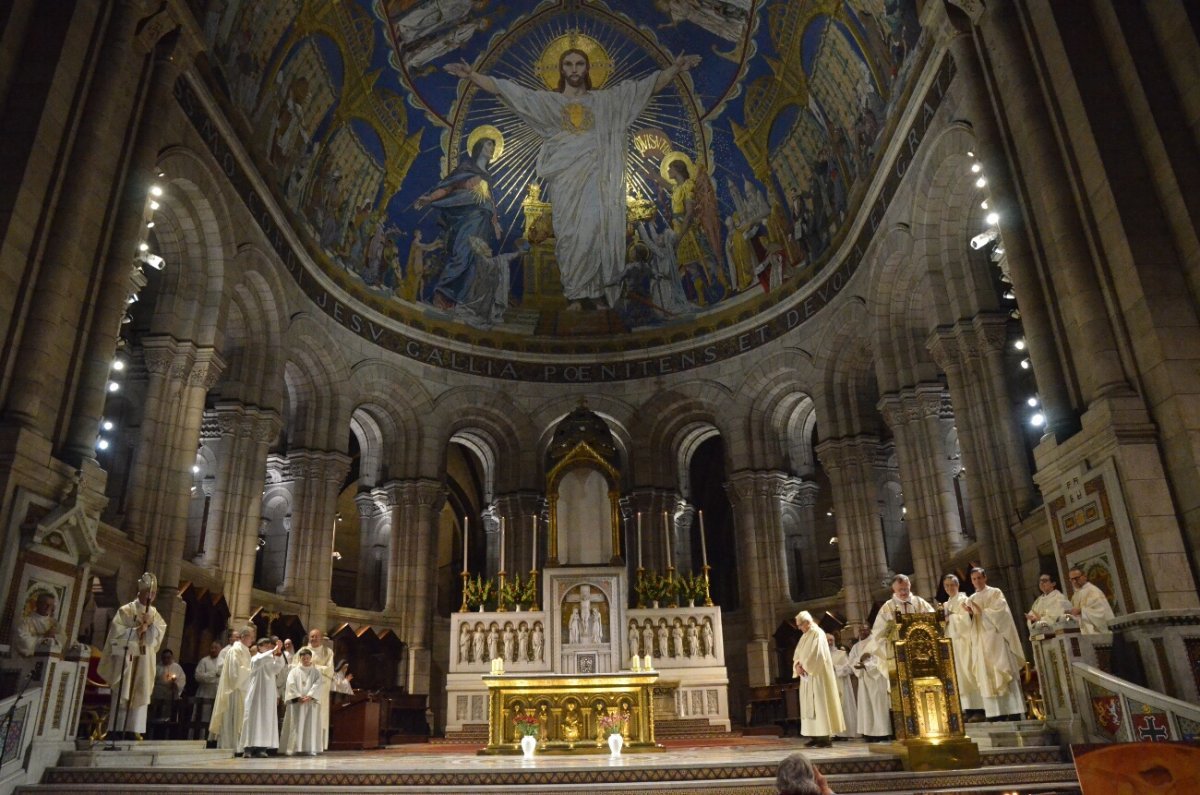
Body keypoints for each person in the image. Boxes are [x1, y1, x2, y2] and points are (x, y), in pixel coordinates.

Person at [445, 48, 700, 310]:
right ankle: (576, 295)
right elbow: (508, 92)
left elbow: (645, 89)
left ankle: (597, 293)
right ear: (561, 69)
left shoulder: (605, 101)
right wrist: (473, 75)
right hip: (565, 181)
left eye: (580, 64)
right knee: (568, 236)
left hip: (595, 180)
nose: (574, 69)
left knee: (593, 231)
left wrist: (675, 69)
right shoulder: (549, 103)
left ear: (588, 68)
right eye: (568, 64)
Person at [416, 133, 502, 310]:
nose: (491, 149)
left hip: (483, 222)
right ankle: (442, 294)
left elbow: (490, 201)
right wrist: (430, 198)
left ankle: (460, 302)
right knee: (462, 255)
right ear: (478, 147)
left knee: (476, 262)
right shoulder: (466, 167)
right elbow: (448, 187)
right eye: (488, 145)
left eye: (493, 147)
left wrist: (495, 223)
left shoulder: (488, 177)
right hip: (466, 218)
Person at [98, 571, 167, 739]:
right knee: (124, 690)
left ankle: (133, 730)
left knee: (141, 690)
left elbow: (157, 638)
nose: (150, 596)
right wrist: (137, 630)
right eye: (147, 593)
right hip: (127, 659)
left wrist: (151, 626)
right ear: (139, 592)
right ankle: (116, 729)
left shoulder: (155, 614)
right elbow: (115, 635)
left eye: (153, 593)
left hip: (144, 659)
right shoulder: (126, 611)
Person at [964, 568, 1026, 721]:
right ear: (971, 581)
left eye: (979, 578)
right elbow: (969, 622)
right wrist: (969, 614)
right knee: (986, 674)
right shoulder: (970, 598)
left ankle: (1014, 711)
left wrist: (982, 612)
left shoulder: (995, 592)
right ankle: (994, 713)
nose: (977, 581)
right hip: (980, 640)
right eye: (974, 579)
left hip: (996, 638)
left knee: (1003, 670)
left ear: (985, 578)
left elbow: (1001, 613)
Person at [791, 611, 844, 748]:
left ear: (807, 622)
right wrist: (797, 665)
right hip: (807, 676)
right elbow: (797, 653)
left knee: (819, 704)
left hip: (817, 675)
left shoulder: (818, 633)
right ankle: (815, 735)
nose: (799, 628)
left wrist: (805, 667)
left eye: (800, 625)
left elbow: (818, 654)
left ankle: (824, 737)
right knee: (809, 705)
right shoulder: (805, 636)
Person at [281, 628, 334, 751]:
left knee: (316, 718)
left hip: (317, 690)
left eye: (316, 636)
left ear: (321, 638)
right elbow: (294, 668)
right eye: (311, 636)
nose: (313, 639)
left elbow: (329, 671)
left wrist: (313, 668)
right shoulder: (302, 651)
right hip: (300, 691)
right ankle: (296, 745)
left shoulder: (328, 652)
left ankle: (315, 745)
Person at [210, 625, 254, 755]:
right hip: (234, 690)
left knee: (240, 719)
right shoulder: (235, 650)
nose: (252, 640)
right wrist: (252, 673)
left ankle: (238, 746)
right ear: (244, 637)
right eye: (251, 637)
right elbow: (235, 673)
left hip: (243, 689)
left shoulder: (245, 650)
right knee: (233, 719)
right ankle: (229, 745)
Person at [941, 574, 982, 714]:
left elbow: (967, 619)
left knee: (969, 672)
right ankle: (966, 710)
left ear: (957, 586)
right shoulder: (946, 604)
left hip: (965, 642)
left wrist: (950, 618)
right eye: (946, 586)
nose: (949, 588)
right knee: (958, 676)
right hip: (953, 644)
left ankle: (978, 709)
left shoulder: (964, 599)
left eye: (952, 585)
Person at [240, 636, 285, 758]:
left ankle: (261, 748)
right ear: (259, 647)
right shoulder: (255, 658)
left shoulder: (270, 659)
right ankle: (248, 748)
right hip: (256, 693)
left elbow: (278, 668)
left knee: (265, 719)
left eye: (270, 646)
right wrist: (274, 650)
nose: (269, 648)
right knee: (252, 719)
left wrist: (279, 653)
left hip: (268, 694)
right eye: (266, 646)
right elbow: (261, 660)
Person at [849, 626, 889, 740]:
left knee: (877, 705)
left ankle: (882, 733)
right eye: (860, 630)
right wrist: (859, 664)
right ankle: (869, 733)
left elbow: (881, 659)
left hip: (876, 678)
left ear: (870, 630)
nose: (862, 632)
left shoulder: (876, 642)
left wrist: (866, 665)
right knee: (866, 706)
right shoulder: (856, 646)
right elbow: (851, 660)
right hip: (863, 678)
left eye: (864, 630)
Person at [282, 647, 323, 756]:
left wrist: (310, 695)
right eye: (303, 658)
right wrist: (298, 696)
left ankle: (310, 748)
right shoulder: (294, 672)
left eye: (307, 658)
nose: (305, 660)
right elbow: (290, 684)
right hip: (298, 703)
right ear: (300, 658)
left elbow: (318, 684)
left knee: (310, 725)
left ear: (310, 658)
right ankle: (294, 748)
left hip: (310, 703)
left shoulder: (316, 672)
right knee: (296, 724)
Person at [14, 590, 64, 657]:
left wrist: (55, 638)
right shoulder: (26, 621)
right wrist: (44, 637)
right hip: (28, 661)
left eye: (51, 605)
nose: (48, 607)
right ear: (37, 604)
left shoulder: (54, 624)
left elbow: (62, 642)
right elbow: (23, 643)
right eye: (46, 604)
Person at [827, 633, 858, 740]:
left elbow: (849, 668)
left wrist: (836, 668)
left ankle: (844, 733)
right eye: (827, 640)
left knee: (843, 707)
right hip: (829, 685)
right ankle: (833, 733)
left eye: (831, 640)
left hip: (841, 684)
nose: (829, 642)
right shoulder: (822, 655)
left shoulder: (841, 653)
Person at [1068, 567, 1115, 634]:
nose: (1074, 581)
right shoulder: (1075, 596)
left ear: (1084, 577)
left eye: (1076, 578)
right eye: (1072, 579)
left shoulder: (1093, 591)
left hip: (1098, 632)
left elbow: (1100, 613)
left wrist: (1081, 611)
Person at [193, 640, 223, 733]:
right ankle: (199, 736)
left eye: (216, 648)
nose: (213, 650)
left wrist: (213, 677)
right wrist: (213, 675)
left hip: (217, 692)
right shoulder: (204, 661)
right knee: (202, 715)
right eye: (212, 648)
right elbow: (198, 676)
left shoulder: (223, 662)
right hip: (205, 692)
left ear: (220, 649)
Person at [151, 648, 187, 723]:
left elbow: (182, 680)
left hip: (171, 694)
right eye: (164, 658)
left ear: (172, 657)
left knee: (169, 716)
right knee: (157, 715)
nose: (166, 659)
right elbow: (152, 680)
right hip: (158, 694)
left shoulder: (177, 667)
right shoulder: (157, 667)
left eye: (168, 657)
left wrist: (176, 685)